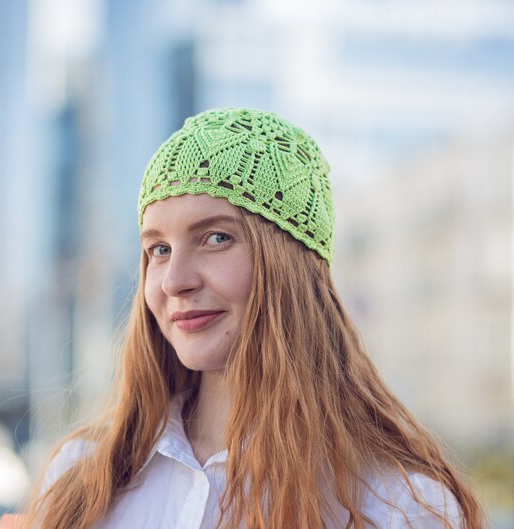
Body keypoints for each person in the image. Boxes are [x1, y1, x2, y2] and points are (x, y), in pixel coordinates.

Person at [24, 107, 485, 528]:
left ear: (288, 264)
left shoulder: (396, 506)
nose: (173, 281)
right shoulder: (81, 484)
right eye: (158, 249)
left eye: (216, 238)